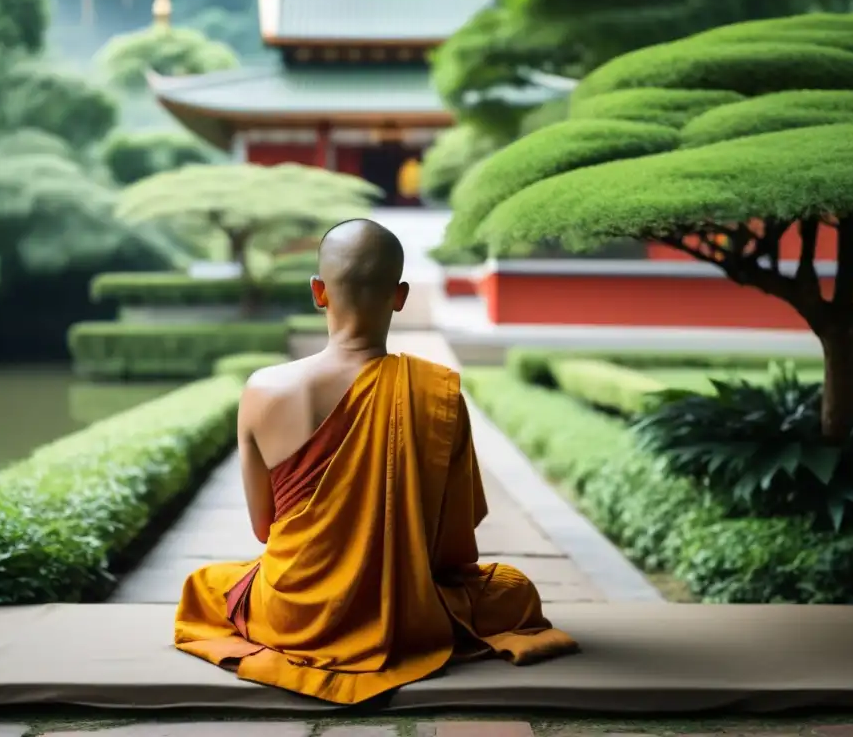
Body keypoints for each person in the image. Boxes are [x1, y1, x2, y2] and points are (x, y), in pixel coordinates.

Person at [173, 219, 577, 704]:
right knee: (514, 590)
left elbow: (265, 530)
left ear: (318, 292)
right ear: (400, 295)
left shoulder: (262, 390)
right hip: (406, 619)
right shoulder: (436, 394)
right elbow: (451, 549)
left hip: (290, 614)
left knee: (204, 587)